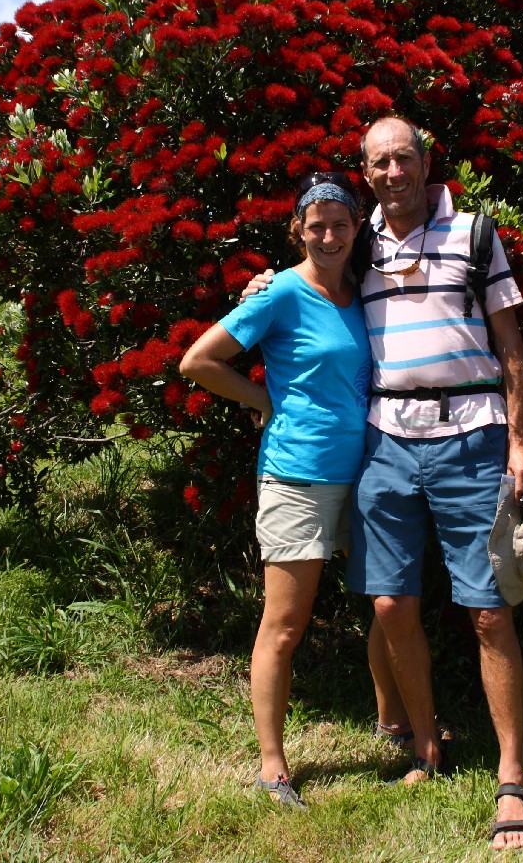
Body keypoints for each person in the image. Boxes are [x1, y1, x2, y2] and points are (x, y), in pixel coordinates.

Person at [245, 117, 523, 850]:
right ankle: (426, 748)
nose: (392, 172)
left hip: (472, 439)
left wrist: (521, 441)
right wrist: (261, 286)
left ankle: (511, 778)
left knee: (489, 612)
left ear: (425, 160)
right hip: (387, 441)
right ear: (366, 171)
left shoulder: (473, 234)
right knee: (389, 602)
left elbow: (511, 343)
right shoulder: (361, 242)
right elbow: (312, 279)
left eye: (403, 157)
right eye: (378, 162)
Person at [179, 175, 370, 811]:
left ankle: (396, 727)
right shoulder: (282, 291)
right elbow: (199, 361)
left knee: (388, 607)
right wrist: (264, 400)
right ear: (298, 231)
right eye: (316, 225)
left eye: (340, 224)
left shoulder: (364, 290)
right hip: (298, 476)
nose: (329, 236)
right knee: (284, 626)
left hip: (366, 472)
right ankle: (272, 766)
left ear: (357, 227)